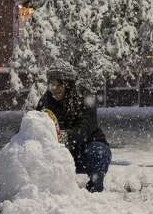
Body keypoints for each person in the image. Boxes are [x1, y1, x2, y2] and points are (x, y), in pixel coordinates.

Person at [35, 61, 111, 193]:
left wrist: (63, 136)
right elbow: (37, 124)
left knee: (98, 152)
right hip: (60, 152)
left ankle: (95, 189)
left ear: (68, 85)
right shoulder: (45, 102)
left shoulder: (84, 99)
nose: (55, 88)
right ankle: (46, 189)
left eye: (59, 85)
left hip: (86, 149)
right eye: (52, 84)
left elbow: (84, 130)